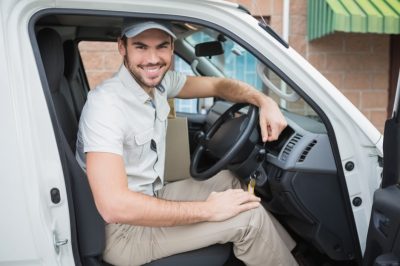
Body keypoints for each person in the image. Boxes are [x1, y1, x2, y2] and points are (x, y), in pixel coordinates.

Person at [75, 19, 298, 266]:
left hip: (151, 194)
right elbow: (114, 206)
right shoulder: (106, 105)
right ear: (122, 47)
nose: (152, 59)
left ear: (172, 47)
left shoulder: (161, 83)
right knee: (249, 217)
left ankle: (292, 256)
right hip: (123, 232)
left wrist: (263, 101)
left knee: (230, 182)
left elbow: (218, 84)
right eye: (140, 47)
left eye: (161, 46)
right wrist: (209, 210)